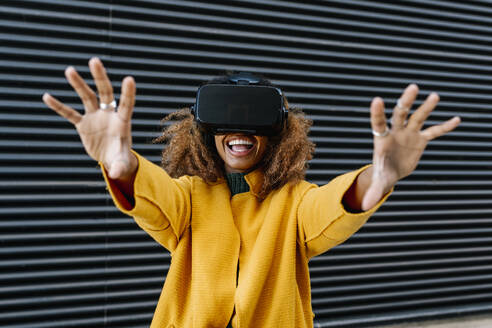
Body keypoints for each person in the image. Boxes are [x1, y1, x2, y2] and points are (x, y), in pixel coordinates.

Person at [42, 57, 461, 328]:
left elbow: (332, 206)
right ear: (204, 133)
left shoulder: (292, 201)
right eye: (225, 121)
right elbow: (155, 199)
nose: (240, 133)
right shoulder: (189, 197)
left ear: (280, 135)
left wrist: (380, 176)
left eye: (255, 121)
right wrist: (121, 164)